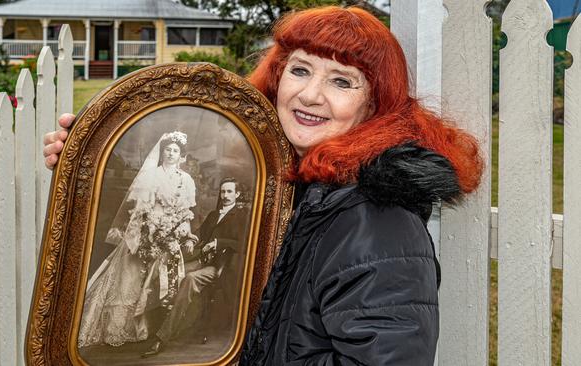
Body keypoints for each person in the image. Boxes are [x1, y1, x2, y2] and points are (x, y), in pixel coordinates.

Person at [44, 6, 483, 365]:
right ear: (276, 78)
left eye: (341, 81)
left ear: (374, 105)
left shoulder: (377, 220)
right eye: (300, 70)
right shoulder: (282, 185)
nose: (310, 95)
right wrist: (90, 161)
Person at [77, 131, 198, 348]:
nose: (171, 154)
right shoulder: (151, 176)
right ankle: (119, 327)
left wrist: (184, 233)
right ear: (162, 153)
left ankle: (148, 328)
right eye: (168, 150)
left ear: (181, 155)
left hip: (169, 235)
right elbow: (140, 210)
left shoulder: (186, 180)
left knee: (156, 283)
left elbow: (185, 211)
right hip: (146, 231)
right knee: (131, 278)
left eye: (175, 151)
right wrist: (145, 234)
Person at [142, 177, 250, 356]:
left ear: (237, 194)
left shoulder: (242, 216)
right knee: (170, 272)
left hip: (220, 266)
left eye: (229, 191)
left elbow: (245, 243)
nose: (225, 195)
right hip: (202, 260)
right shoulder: (214, 215)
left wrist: (218, 243)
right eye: (223, 191)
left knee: (189, 279)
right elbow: (200, 233)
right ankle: (153, 325)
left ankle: (162, 338)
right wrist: (192, 239)